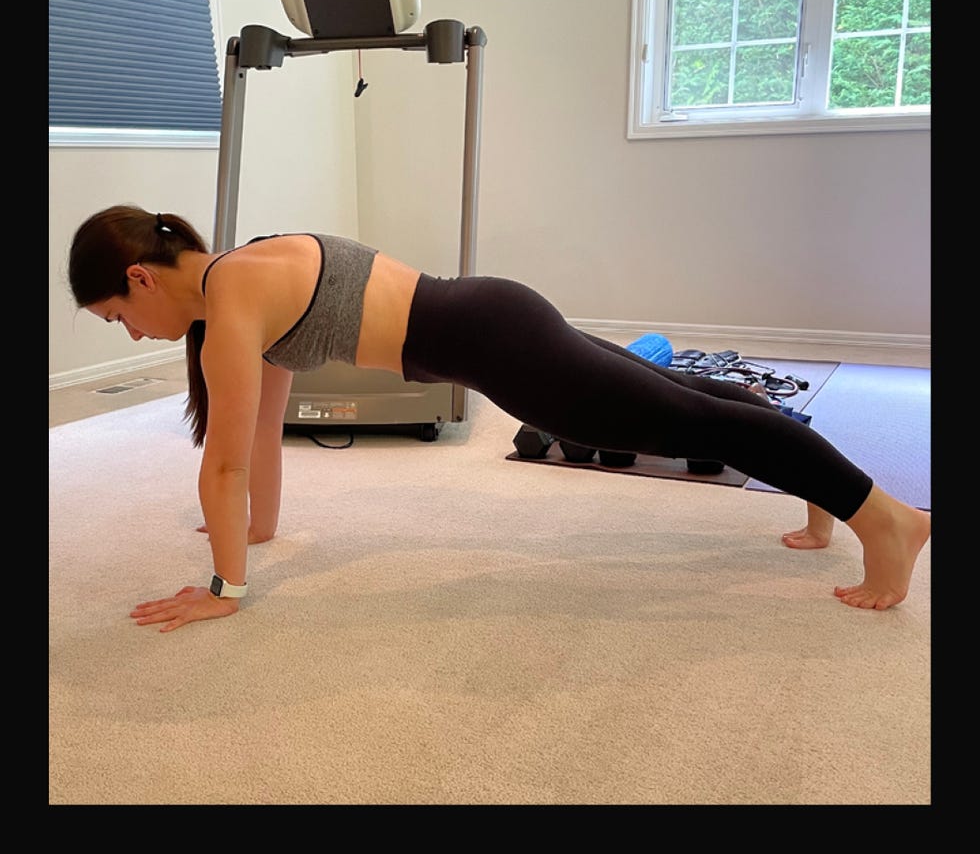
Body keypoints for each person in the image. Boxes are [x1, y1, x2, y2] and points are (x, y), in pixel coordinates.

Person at [68, 205, 931, 632]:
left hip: (497, 346)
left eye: (117, 316)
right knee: (696, 404)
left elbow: (218, 460)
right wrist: (256, 534)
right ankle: (822, 499)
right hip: (496, 315)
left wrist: (224, 592)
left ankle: (884, 517)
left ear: (141, 278)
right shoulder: (248, 270)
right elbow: (256, 435)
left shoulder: (230, 297)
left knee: (682, 425)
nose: (132, 332)